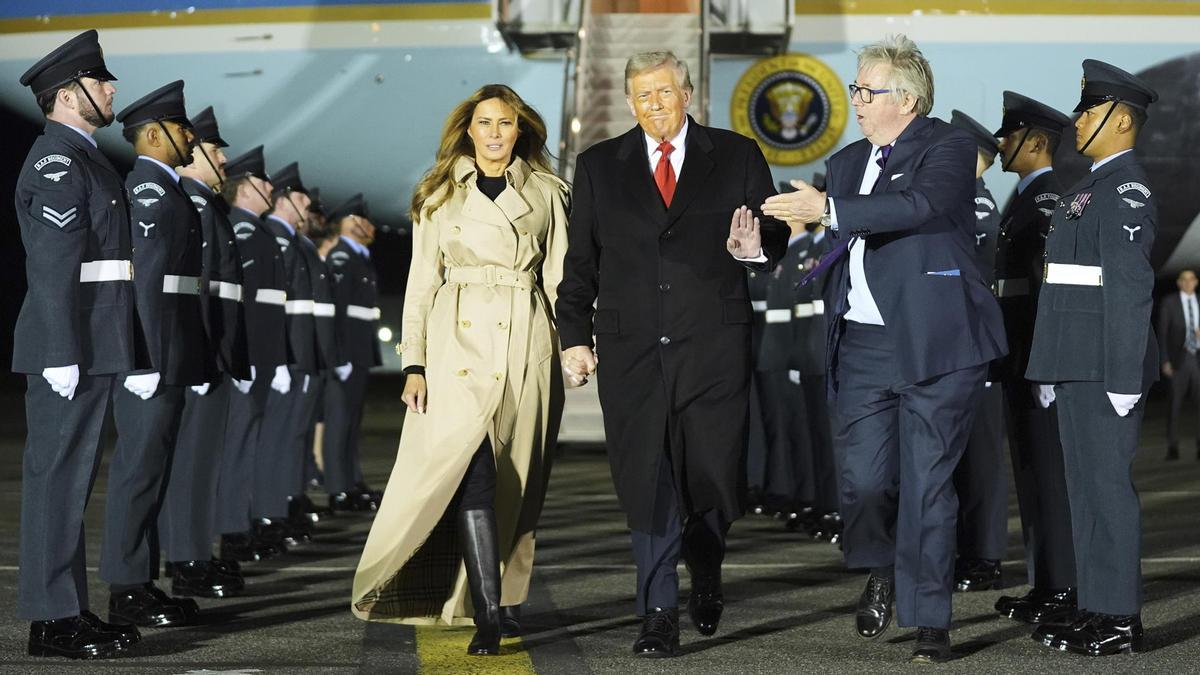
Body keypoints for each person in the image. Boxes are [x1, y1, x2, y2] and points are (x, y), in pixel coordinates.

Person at [761, 34, 1006, 663]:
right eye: (857, 89)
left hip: (935, 342)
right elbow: (830, 237)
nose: (857, 101)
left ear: (909, 97)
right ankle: (884, 568)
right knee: (865, 483)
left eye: (867, 91)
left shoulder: (947, 146)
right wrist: (768, 239)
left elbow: (919, 204)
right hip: (864, 344)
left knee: (928, 482)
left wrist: (833, 210)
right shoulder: (845, 163)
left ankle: (930, 619)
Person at [556, 51, 788, 658]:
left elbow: (777, 234)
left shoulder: (735, 154)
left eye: (664, 92)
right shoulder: (600, 166)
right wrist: (574, 337)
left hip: (713, 346)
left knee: (711, 475)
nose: (653, 105)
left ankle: (706, 563)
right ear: (629, 103)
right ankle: (657, 611)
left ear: (688, 94)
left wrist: (753, 244)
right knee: (648, 477)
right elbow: (580, 263)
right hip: (632, 351)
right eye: (641, 96)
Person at [352, 84, 570, 657]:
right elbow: (421, 283)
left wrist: (573, 346)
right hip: (455, 347)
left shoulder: (551, 193)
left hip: (527, 343)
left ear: (519, 130)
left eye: (505, 123)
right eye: (484, 123)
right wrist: (414, 362)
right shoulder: (438, 194)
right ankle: (490, 614)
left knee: (517, 484)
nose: (495, 132)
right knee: (468, 473)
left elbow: (561, 282)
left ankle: (504, 598)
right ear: (467, 131)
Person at [14, 29, 143, 660]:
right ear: (68, 94)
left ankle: (67, 610)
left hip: (93, 345)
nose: (111, 87)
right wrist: (61, 350)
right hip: (69, 347)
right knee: (56, 481)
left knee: (71, 482)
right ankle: (51, 620)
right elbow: (54, 263)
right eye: (99, 80)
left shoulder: (87, 157)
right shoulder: (57, 162)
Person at [1026, 60, 1159, 656]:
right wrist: (1048, 366)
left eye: (1089, 110)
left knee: (1106, 489)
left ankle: (1121, 619)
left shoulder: (1126, 189)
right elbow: (1061, 288)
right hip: (1075, 362)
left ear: (1122, 119)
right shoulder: (1087, 188)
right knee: (1082, 490)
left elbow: (1129, 288)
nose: (1077, 120)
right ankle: (1095, 604)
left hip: (1106, 365)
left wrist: (1125, 374)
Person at [102, 80, 205, 630]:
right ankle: (126, 587)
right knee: (138, 473)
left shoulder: (167, 189)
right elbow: (141, 283)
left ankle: (142, 580)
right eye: (181, 127)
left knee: (154, 471)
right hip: (152, 359)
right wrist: (141, 360)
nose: (190, 135)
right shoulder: (146, 189)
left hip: (170, 354)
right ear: (154, 135)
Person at [988, 92, 1077, 627]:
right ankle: (1045, 583)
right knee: (1030, 473)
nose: (1000, 144)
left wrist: (1046, 363)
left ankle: (1064, 585)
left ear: (1037, 142)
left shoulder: (1045, 203)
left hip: (1034, 360)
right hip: (1017, 357)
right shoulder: (1022, 199)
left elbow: (1051, 295)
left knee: (1049, 473)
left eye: (1010, 134)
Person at [159, 105, 249, 599]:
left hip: (214, 354)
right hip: (201, 356)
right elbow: (191, 290)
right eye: (214, 151)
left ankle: (195, 553)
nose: (221, 160)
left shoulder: (205, 206)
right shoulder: (191, 205)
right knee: (190, 464)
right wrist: (201, 353)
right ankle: (185, 559)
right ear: (193, 157)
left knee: (202, 465)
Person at [215, 146, 291, 563]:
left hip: (261, 356)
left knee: (251, 443)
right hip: (249, 357)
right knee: (239, 446)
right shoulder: (243, 231)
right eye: (263, 183)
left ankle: (240, 525)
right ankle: (231, 530)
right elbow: (238, 303)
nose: (269, 190)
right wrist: (240, 356)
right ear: (245, 189)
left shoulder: (255, 230)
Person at [947, 110, 1007, 594]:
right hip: (957, 347)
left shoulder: (978, 208)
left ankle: (985, 555)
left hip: (975, 349)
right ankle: (966, 549)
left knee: (981, 460)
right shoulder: (959, 202)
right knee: (960, 459)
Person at [256, 162, 323, 547]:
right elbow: (273, 306)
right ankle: (268, 509)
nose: (307, 203)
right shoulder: (277, 239)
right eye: (300, 197)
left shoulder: (292, 240)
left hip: (299, 351)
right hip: (288, 353)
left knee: (290, 435)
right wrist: (279, 356)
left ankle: (280, 505)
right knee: (275, 438)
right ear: (284, 201)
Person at [323, 195, 385, 512]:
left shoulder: (358, 258)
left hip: (358, 352)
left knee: (350, 422)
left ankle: (351, 481)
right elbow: (335, 311)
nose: (371, 226)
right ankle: (338, 489)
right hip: (346, 354)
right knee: (339, 423)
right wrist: (339, 355)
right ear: (353, 223)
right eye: (365, 220)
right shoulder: (342, 259)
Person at [1159, 269, 1200, 461]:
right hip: (1178, 360)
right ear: (1178, 282)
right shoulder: (1170, 303)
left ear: (1196, 282)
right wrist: (1165, 360)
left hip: (1197, 359)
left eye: (1191, 279)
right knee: (1174, 405)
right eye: (1184, 279)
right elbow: (1163, 333)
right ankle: (1173, 446)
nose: (1188, 282)